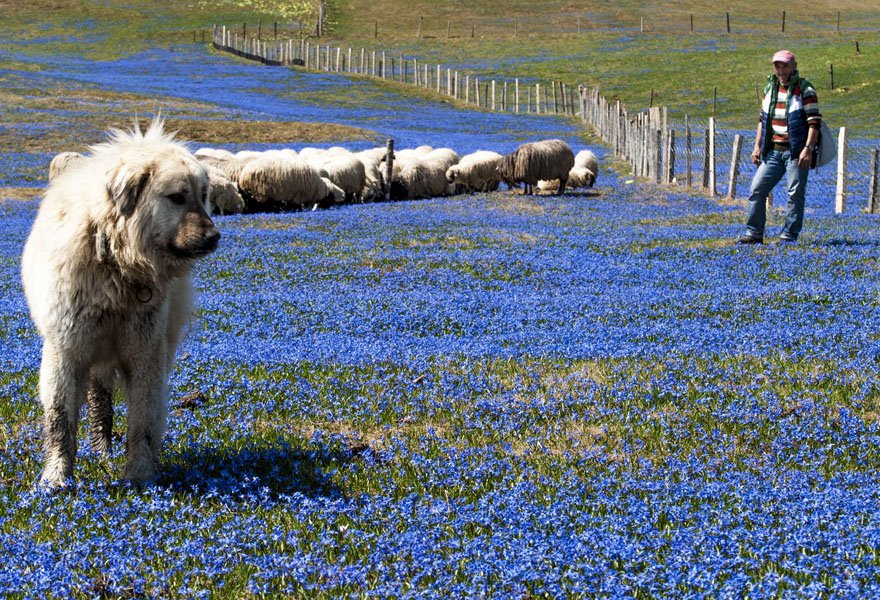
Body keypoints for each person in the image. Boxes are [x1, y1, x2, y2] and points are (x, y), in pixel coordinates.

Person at [737, 50, 821, 244]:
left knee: (795, 194)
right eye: (777, 66)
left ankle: (789, 235)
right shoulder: (770, 88)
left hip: (795, 152)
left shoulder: (805, 89)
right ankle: (754, 233)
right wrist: (757, 146)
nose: (781, 71)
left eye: (785, 66)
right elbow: (762, 120)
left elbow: (814, 122)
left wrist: (808, 148)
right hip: (773, 151)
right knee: (757, 189)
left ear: (794, 66)